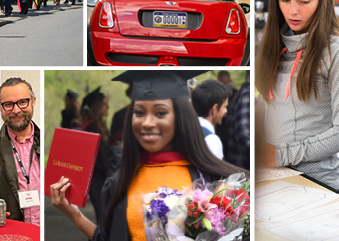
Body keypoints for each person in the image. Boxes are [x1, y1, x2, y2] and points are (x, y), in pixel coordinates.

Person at [50, 70, 248, 241]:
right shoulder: (119, 181)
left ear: (180, 117)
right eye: (139, 112)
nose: (146, 122)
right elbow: (107, 238)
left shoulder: (211, 180)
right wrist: (74, 215)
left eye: (160, 113)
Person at [255, 0, 339, 191]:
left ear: (322, 1)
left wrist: (281, 154)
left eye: (304, 1)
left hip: (318, 183)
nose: (293, 11)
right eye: (284, 0)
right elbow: (267, 103)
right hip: (275, 177)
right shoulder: (274, 47)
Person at [0, 77, 40, 226]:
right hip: (14, 230)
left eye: (22, 102)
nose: (16, 110)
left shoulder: (49, 139)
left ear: (33, 101)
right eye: (8, 105)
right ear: (0, 107)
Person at [80, 87, 111, 225]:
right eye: (105, 104)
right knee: (103, 216)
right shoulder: (92, 127)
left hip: (101, 177)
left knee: (104, 215)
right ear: (98, 107)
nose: (108, 107)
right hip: (97, 179)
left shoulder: (99, 125)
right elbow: (99, 157)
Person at [191, 79, 230, 160]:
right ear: (215, 108)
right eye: (224, 107)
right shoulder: (211, 140)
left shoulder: (187, 129)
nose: (226, 111)